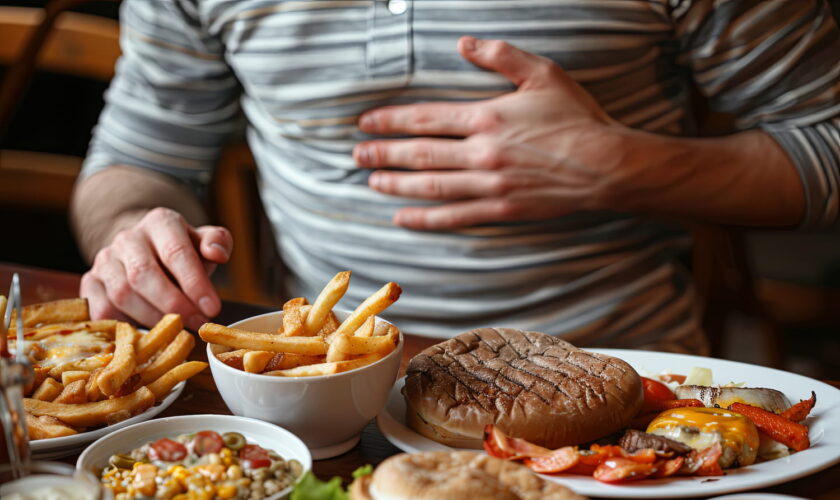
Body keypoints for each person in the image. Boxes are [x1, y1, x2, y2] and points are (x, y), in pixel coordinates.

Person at [71, 0, 840, 354]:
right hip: (329, 407)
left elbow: (827, 134)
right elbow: (141, 159)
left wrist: (620, 166)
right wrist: (131, 233)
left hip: (620, 391)